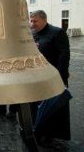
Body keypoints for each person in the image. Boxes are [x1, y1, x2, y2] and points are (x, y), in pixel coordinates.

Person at [29, 10, 71, 146]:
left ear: (43, 19)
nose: (32, 24)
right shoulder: (33, 34)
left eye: (35, 21)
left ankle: (49, 137)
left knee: (53, 108)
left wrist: (59, 77)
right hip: (37, 77)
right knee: (37, 107)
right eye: (31, 21)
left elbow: (64, 56)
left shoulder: (57, 32)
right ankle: (37, 132)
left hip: (53, 77)